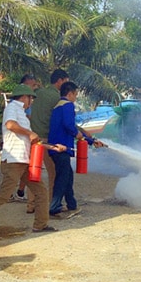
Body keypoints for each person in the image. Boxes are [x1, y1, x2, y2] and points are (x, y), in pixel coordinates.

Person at [0, 84, 64, 234]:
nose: (32, 102)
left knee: (41, 192)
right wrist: (29, 133)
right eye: (31, 98)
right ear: (24, 97)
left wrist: (53, 147)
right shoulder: (12, 108)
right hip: (14, 161)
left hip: (23, 160)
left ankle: (40, 225)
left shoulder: (21, 113)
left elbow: (33, 140)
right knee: (3, 195)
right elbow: (10, 125)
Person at [48, 81, 104, 218]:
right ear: (70, 93)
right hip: (62, 148)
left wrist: (91, 141)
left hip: (56, 148)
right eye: (76, 95)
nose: (76, 98)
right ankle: (54, 207)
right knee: (62, 178)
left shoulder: (57, 107)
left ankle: (72, 204)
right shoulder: (67, 105)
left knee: (67, 176)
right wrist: (77, 134)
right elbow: (69, 126)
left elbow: (69, 126)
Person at [25, 68, 70, 214]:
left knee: (34, 173)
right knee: (54, 173)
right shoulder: (57, 98)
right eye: (66, 82)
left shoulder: (37, 94)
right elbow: (64, 121)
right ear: (60, 81)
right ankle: (52, 204)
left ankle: (31, 205)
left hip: (33, 139)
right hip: (47, 139)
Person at [10, 73, 40, 202]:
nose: (33, 87)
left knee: (28, 170)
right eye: (31, 85)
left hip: (25, 144)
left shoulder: (26, 103)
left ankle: (21, 192)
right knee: (17, 173)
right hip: (17, 146)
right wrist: (29, 132)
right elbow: (11, 124)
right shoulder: (15, 106)